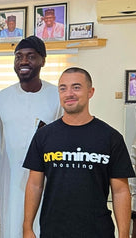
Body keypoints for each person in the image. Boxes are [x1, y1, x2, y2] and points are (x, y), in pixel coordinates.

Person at [23, 67, 135, 238]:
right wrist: (27, 227)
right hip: (53, 230)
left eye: (76, 87)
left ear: (91, 92)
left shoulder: (111, 137)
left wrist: (124, 234)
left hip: (98, 231)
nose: (69, 93)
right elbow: (34, 184)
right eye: (63, 88)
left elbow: (120, 191)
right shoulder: (44, 136)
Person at [0, 35, 63, 237]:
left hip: (46, 183)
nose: (23, 61)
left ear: (43, 61)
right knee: (11, 229)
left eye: (31, 56)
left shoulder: (57, 96)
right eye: (18, 56)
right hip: (9, 182)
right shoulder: (1, 98)